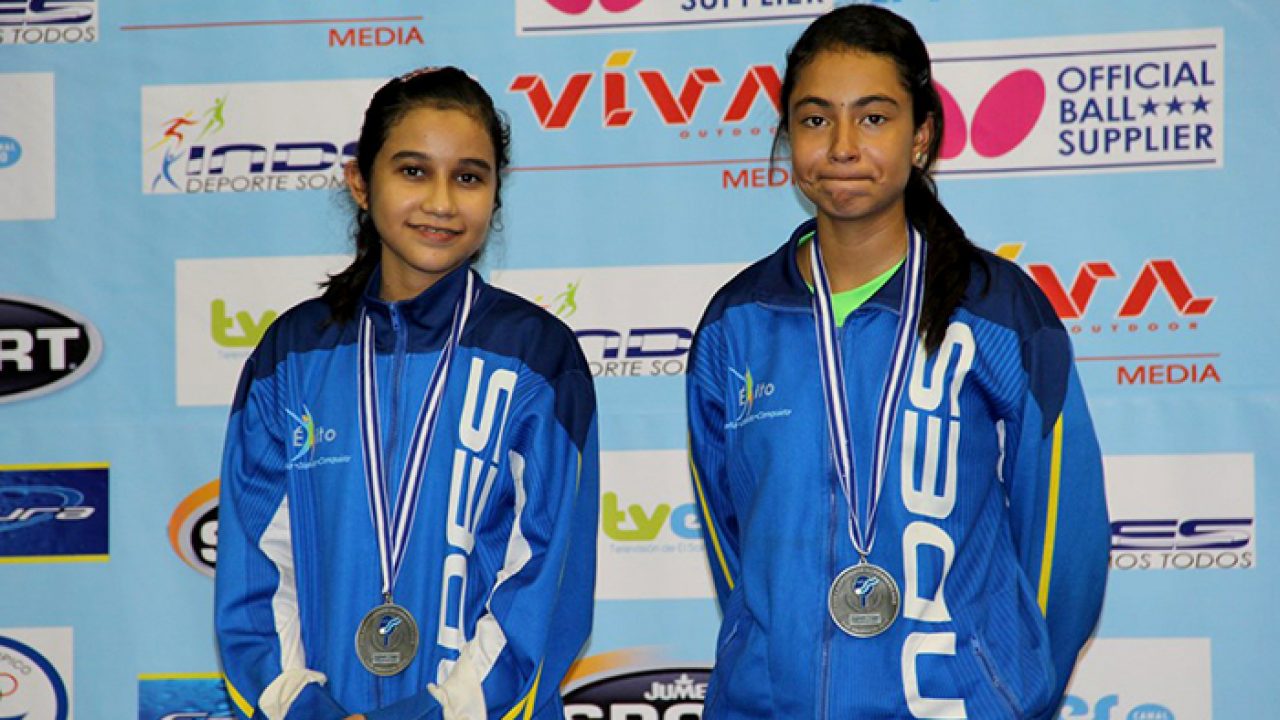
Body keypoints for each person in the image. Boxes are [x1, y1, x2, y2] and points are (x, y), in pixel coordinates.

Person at [685, 6, 1109, 719]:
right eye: (815, 119)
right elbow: (735, 546)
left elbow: (1067, 541)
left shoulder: (997, 311)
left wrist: (1014, 690)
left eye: (874, 118)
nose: (842, 146)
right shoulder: (737, 323)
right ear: (788, 137)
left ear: (921, 136)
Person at [215, 66, 599, 720]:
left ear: (495, 196)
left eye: (469, 177)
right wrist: (307, 711)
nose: (442, 202)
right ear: (360, 184)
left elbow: (545, 585)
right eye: (414, 171)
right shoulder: (293, 356)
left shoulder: (538, 356)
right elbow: (256, 573)